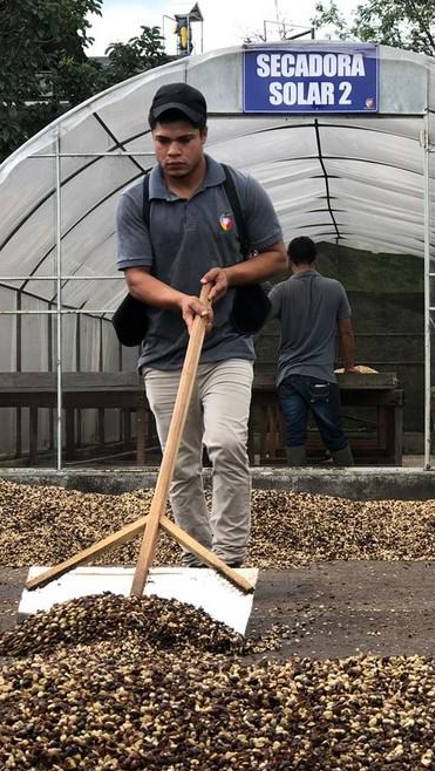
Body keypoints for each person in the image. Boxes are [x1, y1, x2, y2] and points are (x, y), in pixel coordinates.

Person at [115, 82, 286, 567]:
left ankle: (230, 556)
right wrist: (182, 301)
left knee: (227, 443)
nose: (173, 151)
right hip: (164, 353)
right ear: (153, 139)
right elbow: (136, 279)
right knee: (179, 464)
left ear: (204, 136)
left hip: (227, 345)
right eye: (163, 140)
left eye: (184, 139)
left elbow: (274, 256)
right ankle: (198, 552)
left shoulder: (238, 189)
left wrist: (229, 276)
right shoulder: (136, 201)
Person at [268, 236, 356, 467]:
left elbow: (257, 319)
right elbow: (346, 332)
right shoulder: (334, 288)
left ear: (290, 260)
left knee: (295, 435)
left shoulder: (281, 291)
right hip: (321, 377)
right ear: (315, 259)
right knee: (334, 435)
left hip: (290, 376)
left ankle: (297, 489)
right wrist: (348, 366)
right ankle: (352, 484)